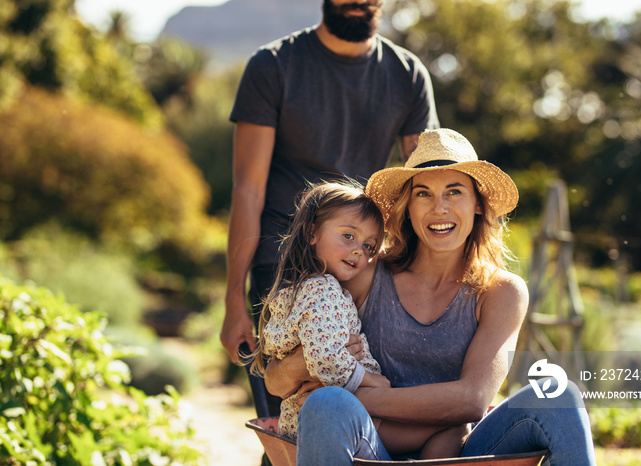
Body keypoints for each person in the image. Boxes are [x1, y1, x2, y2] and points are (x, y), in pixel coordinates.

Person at [265, 128, 596, 464]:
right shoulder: (365, 275)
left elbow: (473, 400)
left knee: (559, 396)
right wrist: (307, 361)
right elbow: (276, 382)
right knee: (325, 405)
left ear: (478, 204)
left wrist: (355, 393)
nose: (439, 208)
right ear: (408, 207)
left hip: (459, 453)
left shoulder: (501, 292)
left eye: (454, 192)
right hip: (375, 449)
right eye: (423, 194)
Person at [221, 0, 439, 418]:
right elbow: (248, 190)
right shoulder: (273, 66)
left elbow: (424, 184)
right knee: (283, 424)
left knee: (362, 421)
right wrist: (234, 300)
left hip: (366, 270)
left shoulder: (407, 74)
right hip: (282, 267)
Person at [250, 181, 469, 459]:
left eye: (368, 246)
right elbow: (326, 358)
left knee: (448, 429)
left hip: (330, 411)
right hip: (338, 414)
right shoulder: (322, 290)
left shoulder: (309, 289)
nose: (358, 251)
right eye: (348, 236)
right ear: (312, 232)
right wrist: (372, 381)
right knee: (450, 429)